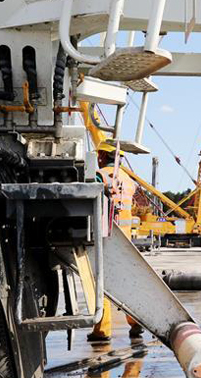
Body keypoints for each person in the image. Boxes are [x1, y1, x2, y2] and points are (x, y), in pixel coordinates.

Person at [87, 143, 144, 342]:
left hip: (105, 237)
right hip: (126, 240)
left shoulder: (99, 175)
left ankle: (102, 330)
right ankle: (136, 322)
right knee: (127, 283)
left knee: (101, 284)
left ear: (102, 155)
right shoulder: (129, 181)